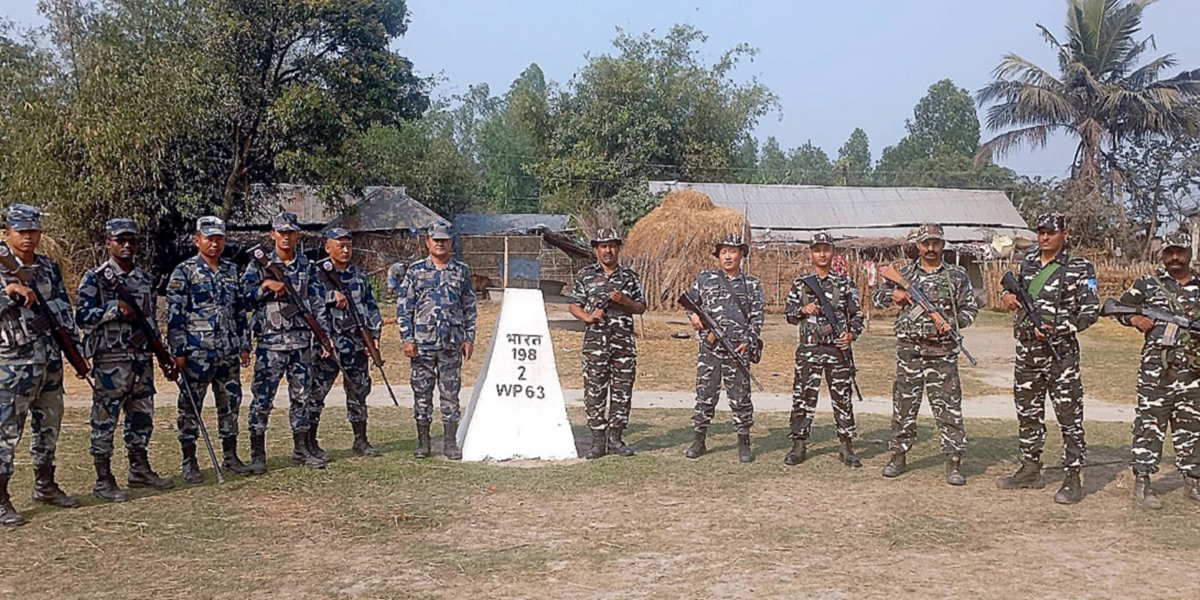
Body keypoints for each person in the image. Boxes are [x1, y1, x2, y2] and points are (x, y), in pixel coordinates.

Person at [997, 213, 1098, 504]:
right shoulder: (1028, 261)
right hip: (1028, 351)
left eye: (1051, 233)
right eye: (1041, 232)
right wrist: (1006, 295)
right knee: (1028, 412)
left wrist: (1061, 327)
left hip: (1061, 353)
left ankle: (1072, 476)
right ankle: (1030, 467)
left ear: (1064, 233)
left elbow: (1091, 310)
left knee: (1069, 416)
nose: (1044, 238)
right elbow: (1012, 291)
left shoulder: (1079, 267)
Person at [75, 218, 174, 502]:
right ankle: (103, 478)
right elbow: (82, 316)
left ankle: (139, 469)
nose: (127, 245)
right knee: (105, 421)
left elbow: (151, 321)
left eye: (132, 240)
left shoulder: (144, 279)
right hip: (110, 361)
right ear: (108, 243)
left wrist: (162, 353)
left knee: (142, 417)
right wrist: (113, 308)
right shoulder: (96, 278)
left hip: (141, 360)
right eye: (121, 240)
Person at [872, 223, 979, 485]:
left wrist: (952, 323)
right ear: (917, 245)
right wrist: (894, 293)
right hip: (910, 351)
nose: (931, 248)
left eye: (936, 243)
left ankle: (953, 461)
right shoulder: (904, 272)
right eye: (926, 243)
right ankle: (898, 456)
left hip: (942, 353)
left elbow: (970, 309)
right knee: (904, 406)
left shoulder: (956, 275)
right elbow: (876, 297)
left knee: (949, 408)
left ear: (943, 245)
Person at [0, 204, 81, 527]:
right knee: (6, 433)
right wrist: (8, 292)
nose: (28, 237)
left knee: (49, 427)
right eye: (21, 231)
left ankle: (45, 485)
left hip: (49, 360)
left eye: (33, 231)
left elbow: (63, 309)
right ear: (8, 232)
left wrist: (75, 350)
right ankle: (2, 499)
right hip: (13, 365)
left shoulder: (47, 267)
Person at [1114, 230, 1200, 509]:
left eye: (1180, 252)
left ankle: (1193, 481)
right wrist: (1135, 318)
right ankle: (1143, 482)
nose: (1174, 257)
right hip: (1156, 371)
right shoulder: (1149, 285)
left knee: (1192, 427)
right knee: (1149, 425)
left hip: (1193, 371)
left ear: (1189, 253)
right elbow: (1119, 309)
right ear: (1162, 254)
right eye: (1169, 252)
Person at [166, 216, 253, 483]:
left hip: (227, 353)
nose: (214, 244)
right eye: (209, 238)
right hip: (196, 354)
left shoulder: (231, 271)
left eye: (219, 238)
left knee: (230, 405)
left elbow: (239, 311)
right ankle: (189, 462)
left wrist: (244, 344)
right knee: (190, 408)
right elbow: (175, 316)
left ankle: (231, 456)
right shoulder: (184, 271)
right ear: (197, 240)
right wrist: (178, 351)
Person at [242, 211, 328, 471]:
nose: (286, 236)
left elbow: (318, 304)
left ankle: (301, 449)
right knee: (262, 399)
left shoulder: (307, 266)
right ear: (273, 234)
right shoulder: (258, 265)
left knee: (301, 398)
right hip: (270, 345)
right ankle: (258, 454)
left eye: (291, 232)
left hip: (301, 345)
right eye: (282, 232)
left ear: (297, 234)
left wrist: (324, 337)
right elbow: (243, 299)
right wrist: (265, 286)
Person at [783, 232, 864, 467]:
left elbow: (857, 315)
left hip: (838, 352)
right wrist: (802, 310)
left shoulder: (845, 283)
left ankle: (846, 446)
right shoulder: (801, 283)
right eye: (817, 249)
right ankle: (798, 445)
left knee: (843, 398)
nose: (822, 254)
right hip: (809, 351)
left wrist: (852, 335)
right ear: (811, 253)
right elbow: (788, 314)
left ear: (832, 252)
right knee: (803, 398)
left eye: (826, 249)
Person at [398, 221, 477, 460]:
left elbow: (469, 306)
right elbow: (404, 307)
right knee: (422, 394)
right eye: (435, 239)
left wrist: (469, 337)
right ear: (428, 242)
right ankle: (423, 442)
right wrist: (407, 338)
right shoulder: (415, 271)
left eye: (444, 239)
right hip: (422, 345)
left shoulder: (461, 271)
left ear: (451, 242)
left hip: (451, 344)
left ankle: (450, 443)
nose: (440, 243)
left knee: (450, 395)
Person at [683, 234, 765, 463]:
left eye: (733, 251)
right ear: (718, 255)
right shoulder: (706, 279)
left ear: (741, 254)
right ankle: (698, 439)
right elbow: (689, 302)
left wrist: (747, 341)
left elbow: (757, 319)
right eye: (724, 252)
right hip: (709, 350)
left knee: (740, 397)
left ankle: (743, 441)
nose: (728, 256)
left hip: (737, 350)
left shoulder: (752, 285)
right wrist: (693, 316)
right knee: (705, 395)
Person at [568, 227, 646, 459]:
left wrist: (626, 302)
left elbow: (641, 307)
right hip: (595, 345)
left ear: (618, 248)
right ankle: (597, 441)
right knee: (594, 391)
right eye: (603, 246)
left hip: (623, 345)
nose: (608, 250)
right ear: (596, 249)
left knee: (622, 392)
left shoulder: (629, 277)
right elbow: (573, 304)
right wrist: (587, 317)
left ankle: (616, 439)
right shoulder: (585, 275)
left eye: (612, 245)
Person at [311, 228, 384, 458]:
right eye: (340, 245)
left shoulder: (359, 275)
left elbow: (371, 305)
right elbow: (306, 301)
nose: (345, 250)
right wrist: (330, 297)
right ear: (327, 247)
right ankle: (310, 442)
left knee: (359, 391)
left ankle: (360, 440)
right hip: (328, 343)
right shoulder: (316, 273)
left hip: (355, 342)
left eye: (348, 246)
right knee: (317, 392)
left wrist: (375, 334)